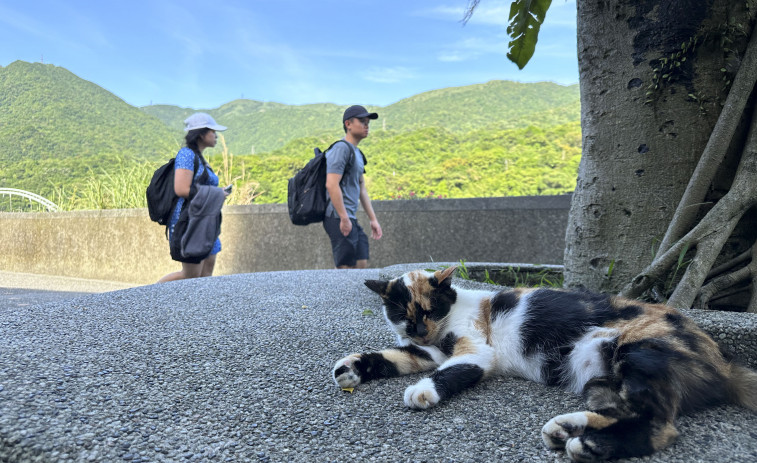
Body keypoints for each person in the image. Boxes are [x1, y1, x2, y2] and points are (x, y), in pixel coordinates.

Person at [158, 113, 230, 283]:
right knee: (190, 277)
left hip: (206, 220)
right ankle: (152, 294)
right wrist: (216, 194)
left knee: (205, 276)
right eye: (212, 132)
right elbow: (181, 188)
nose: (216, 136)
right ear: (201, 134)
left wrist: (219, 192)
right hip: (191, 220)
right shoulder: (187, 155)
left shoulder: (200, 158)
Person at [322, 105, 383, 269]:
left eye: (368, 122)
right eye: (362, 121)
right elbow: (331, 183)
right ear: (348, 124)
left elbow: (361, 188)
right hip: (337, 216)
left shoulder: (357, 153)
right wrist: (343, 217)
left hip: (350, 217)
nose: (366, 125)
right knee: (346, 269)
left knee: (361, 263)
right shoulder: (341, 148)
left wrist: (373, 220)